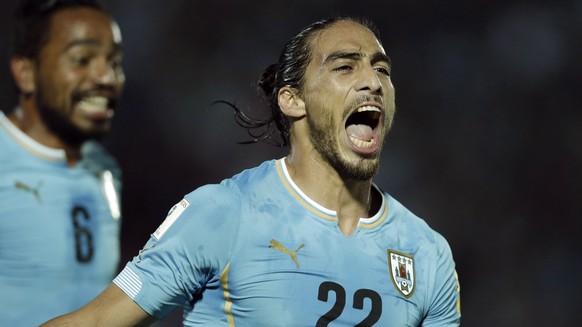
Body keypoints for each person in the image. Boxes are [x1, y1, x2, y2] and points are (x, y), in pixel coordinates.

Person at [42, 16, 461, 326]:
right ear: (292, 100)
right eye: (345, 66)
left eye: (382, 69)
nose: (373, 81)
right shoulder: (223, 213)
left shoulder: (428, 255)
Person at [0, 0, 125, 325]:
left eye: (115, 61)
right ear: (26, 74)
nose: (106, 76)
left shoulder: (106, 168)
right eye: (82, 59)